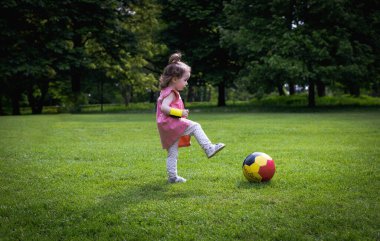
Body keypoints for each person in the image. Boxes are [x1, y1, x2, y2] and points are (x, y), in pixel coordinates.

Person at [156, 52, 225, 183]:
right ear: (175, 79)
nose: (186, 83)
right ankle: (208, 148)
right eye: (185, 80)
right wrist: (179, 113)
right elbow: (165, 108)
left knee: (172, 152)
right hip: (171, 123)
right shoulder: (170, 92)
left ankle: (172, 177)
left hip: (165, 126)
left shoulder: (166, 91)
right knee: (195, 126)